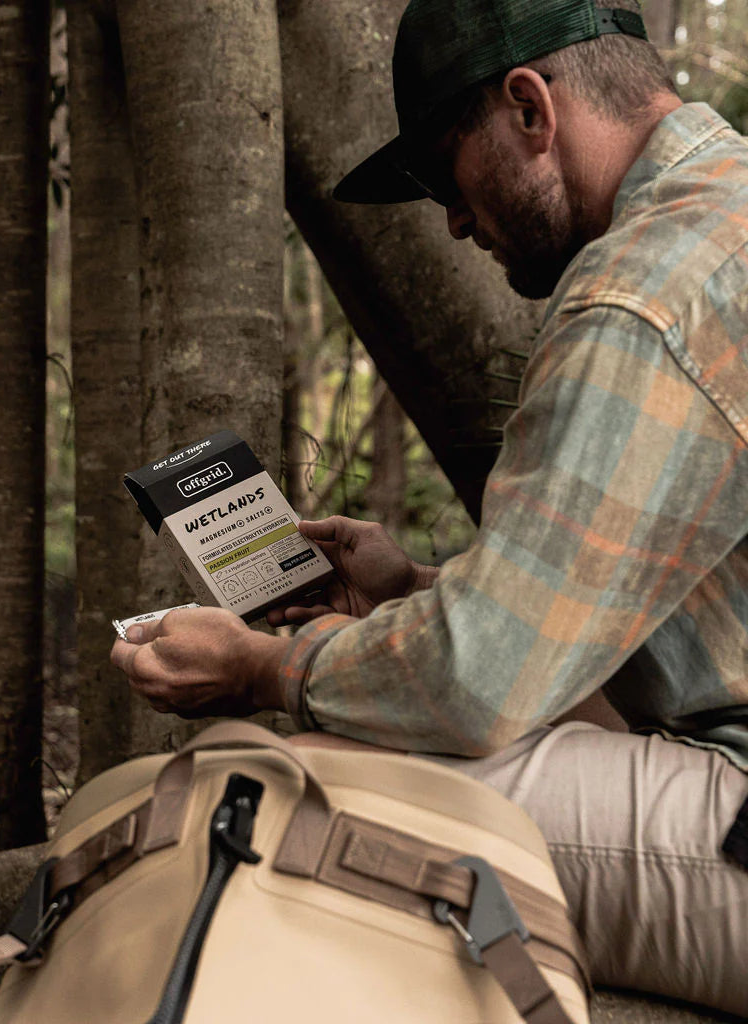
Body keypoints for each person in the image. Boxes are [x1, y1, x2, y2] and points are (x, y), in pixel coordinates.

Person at [111, 0, 748, 1012]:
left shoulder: (641, 294)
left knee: (281, 778)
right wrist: (416, 585)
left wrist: (266, 666)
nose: (453, 221)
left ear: (530, 109)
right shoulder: (728, 213)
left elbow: (475, 679)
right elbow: (640, 587)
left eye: (446, 172)